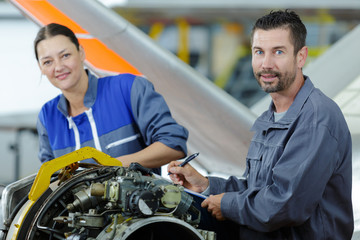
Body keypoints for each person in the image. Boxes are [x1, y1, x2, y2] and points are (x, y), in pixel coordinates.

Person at [168, 10, 353, 239]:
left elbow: (284, 204)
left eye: (278, 52)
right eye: (259, 52)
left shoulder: (316, 118)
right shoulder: (272, 116)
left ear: (301, 57)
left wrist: (226, 205)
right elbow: (256, 190)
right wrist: (206, 186)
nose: (266, 64)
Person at [34, 23, 188, 175]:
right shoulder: (48, 117)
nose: (59, 67)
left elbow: (173, 143)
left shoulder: (128, 88)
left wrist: (114, 165)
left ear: (81, 52)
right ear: (41, 68)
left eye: (65, 55)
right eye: (48, 62)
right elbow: (50, 178)